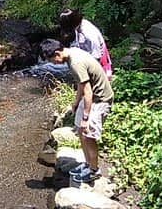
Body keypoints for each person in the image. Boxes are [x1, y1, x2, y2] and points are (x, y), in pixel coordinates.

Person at [39, 38, 114, 184]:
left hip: (100, 99)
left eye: (52, 61)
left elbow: (88, 92)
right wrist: (76, 101)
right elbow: (82, 82)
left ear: (57, 53)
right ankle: (87, 164)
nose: (53, 64)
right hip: (90, 97)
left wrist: (86, 118)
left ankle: (94, 171)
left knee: (88, 135)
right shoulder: (72, 53)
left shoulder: (75, 63)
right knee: (80, 131)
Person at [58, 8, 112, 79]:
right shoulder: (80, 24)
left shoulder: (89, 34)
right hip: (89, 57)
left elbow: (96, 57)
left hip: (99, 64)